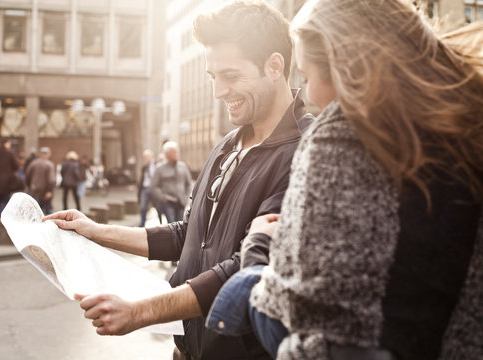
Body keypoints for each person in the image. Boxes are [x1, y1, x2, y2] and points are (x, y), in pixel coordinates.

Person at [206, 1, 483, 359]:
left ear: (343, 66)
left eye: (306, 78)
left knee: (244, 291)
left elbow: (297, 308)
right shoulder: (466, 127)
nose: (308, 95)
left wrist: (258, 248)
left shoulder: (340, 135)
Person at [44, 2, 313, 359]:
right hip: (187, 351)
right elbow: (187, 236)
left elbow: (245, 267)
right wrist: (95, 231)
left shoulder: (307, 151)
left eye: (230, 76)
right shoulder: (227, 145)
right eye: (212, 77)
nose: (219, 91)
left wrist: (140, 311)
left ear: (274, 66)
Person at [150, 142, 192, 223]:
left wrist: (186, 197)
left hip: (181, 202)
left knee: (180, 224)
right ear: (167, 154)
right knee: (172, 224)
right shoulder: (159, 168)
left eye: (176, 152)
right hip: (168, 202)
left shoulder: (183, 166)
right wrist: (162, 197)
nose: (176, 154)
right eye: (173, 152)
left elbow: (188, 184)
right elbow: (153, 186)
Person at [26, 147, 56, 215]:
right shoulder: (49, 164)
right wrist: (50, 190)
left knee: (35, 213)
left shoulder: (33, 163)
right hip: (45, 192)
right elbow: (51, 179)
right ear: (48, 154)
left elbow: (27, 177)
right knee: (48, 214)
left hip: (34, 191)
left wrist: (30, 186)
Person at [138, 149, 162, 226]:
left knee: (158, 207)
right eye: (144, 157)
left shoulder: (157, 166)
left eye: (147, 157)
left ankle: (161, 223)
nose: (145, 159)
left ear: (151, 156)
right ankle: (142, 224)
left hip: (154, 189)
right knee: (143, 207)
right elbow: (141, 180)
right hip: (145, 189)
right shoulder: (144, 167)